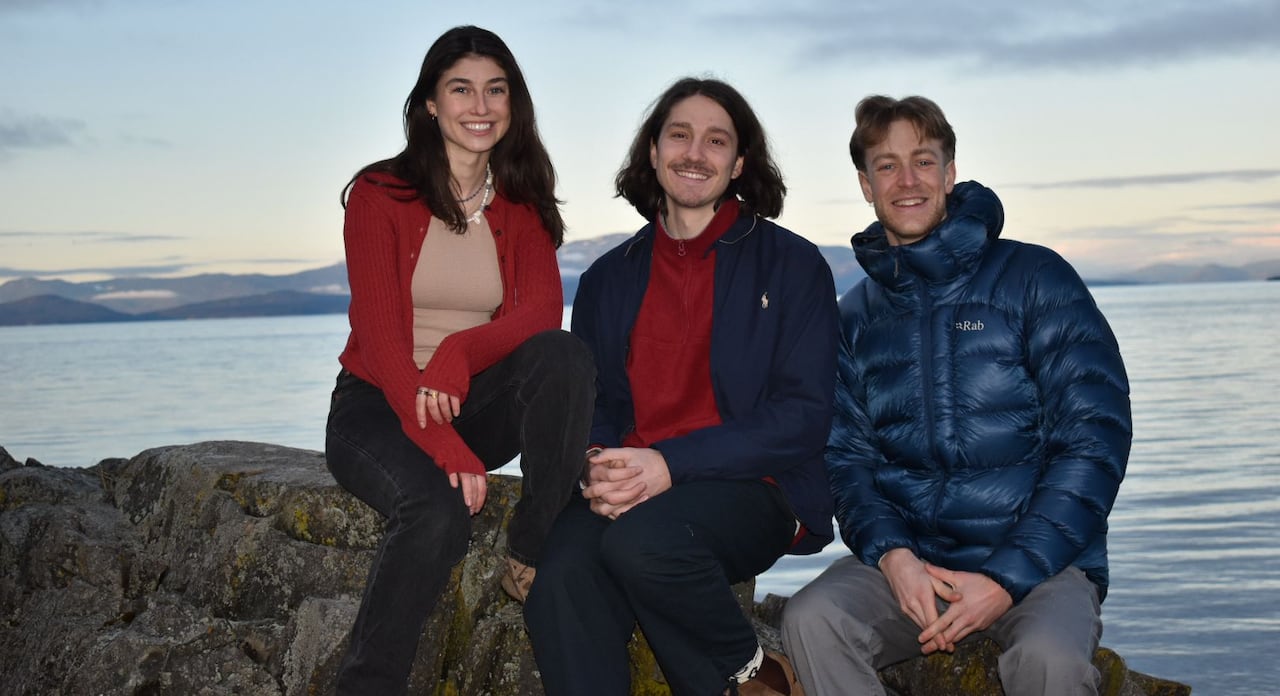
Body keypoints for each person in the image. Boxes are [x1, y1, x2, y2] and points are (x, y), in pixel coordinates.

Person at [780, 95, 1132, 696]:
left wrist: (1005, 578)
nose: (907, 180)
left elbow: (1093, 440)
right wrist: (893, 556)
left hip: (1043, 564)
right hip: (914, 567)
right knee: (812, 620)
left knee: (1049, 660)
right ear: (866, 185)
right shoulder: (854, 317)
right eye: (887, 165)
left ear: (949, 174)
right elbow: (846, 460)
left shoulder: (1034, 278)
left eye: (923, 161)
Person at [522, 77, 838, 696]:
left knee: (647, 543)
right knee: (560, 577)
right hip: (636, 482)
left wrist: (670, 464)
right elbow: (596, 402)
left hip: (755, 487)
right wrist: (597, 462)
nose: (696, 153)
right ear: (653, 151)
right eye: (680, 135)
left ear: (739, 163)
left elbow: (803, 416)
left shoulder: (794, 266)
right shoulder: (608, 278)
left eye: (716, 140)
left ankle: (754, 675)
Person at [323, 25, 594, 695]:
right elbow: (382, 343)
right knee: (436, 512)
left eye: (495, 90)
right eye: (461, 89)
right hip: (378, 406)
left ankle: (530, 549)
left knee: (563, 357)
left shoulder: (521, 201)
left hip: (469, 397)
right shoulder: (380, 194)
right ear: (430, 104)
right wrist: (443, 446)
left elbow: (540, 314)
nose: (480, 106)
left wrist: (458, 351)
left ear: (513, 103)